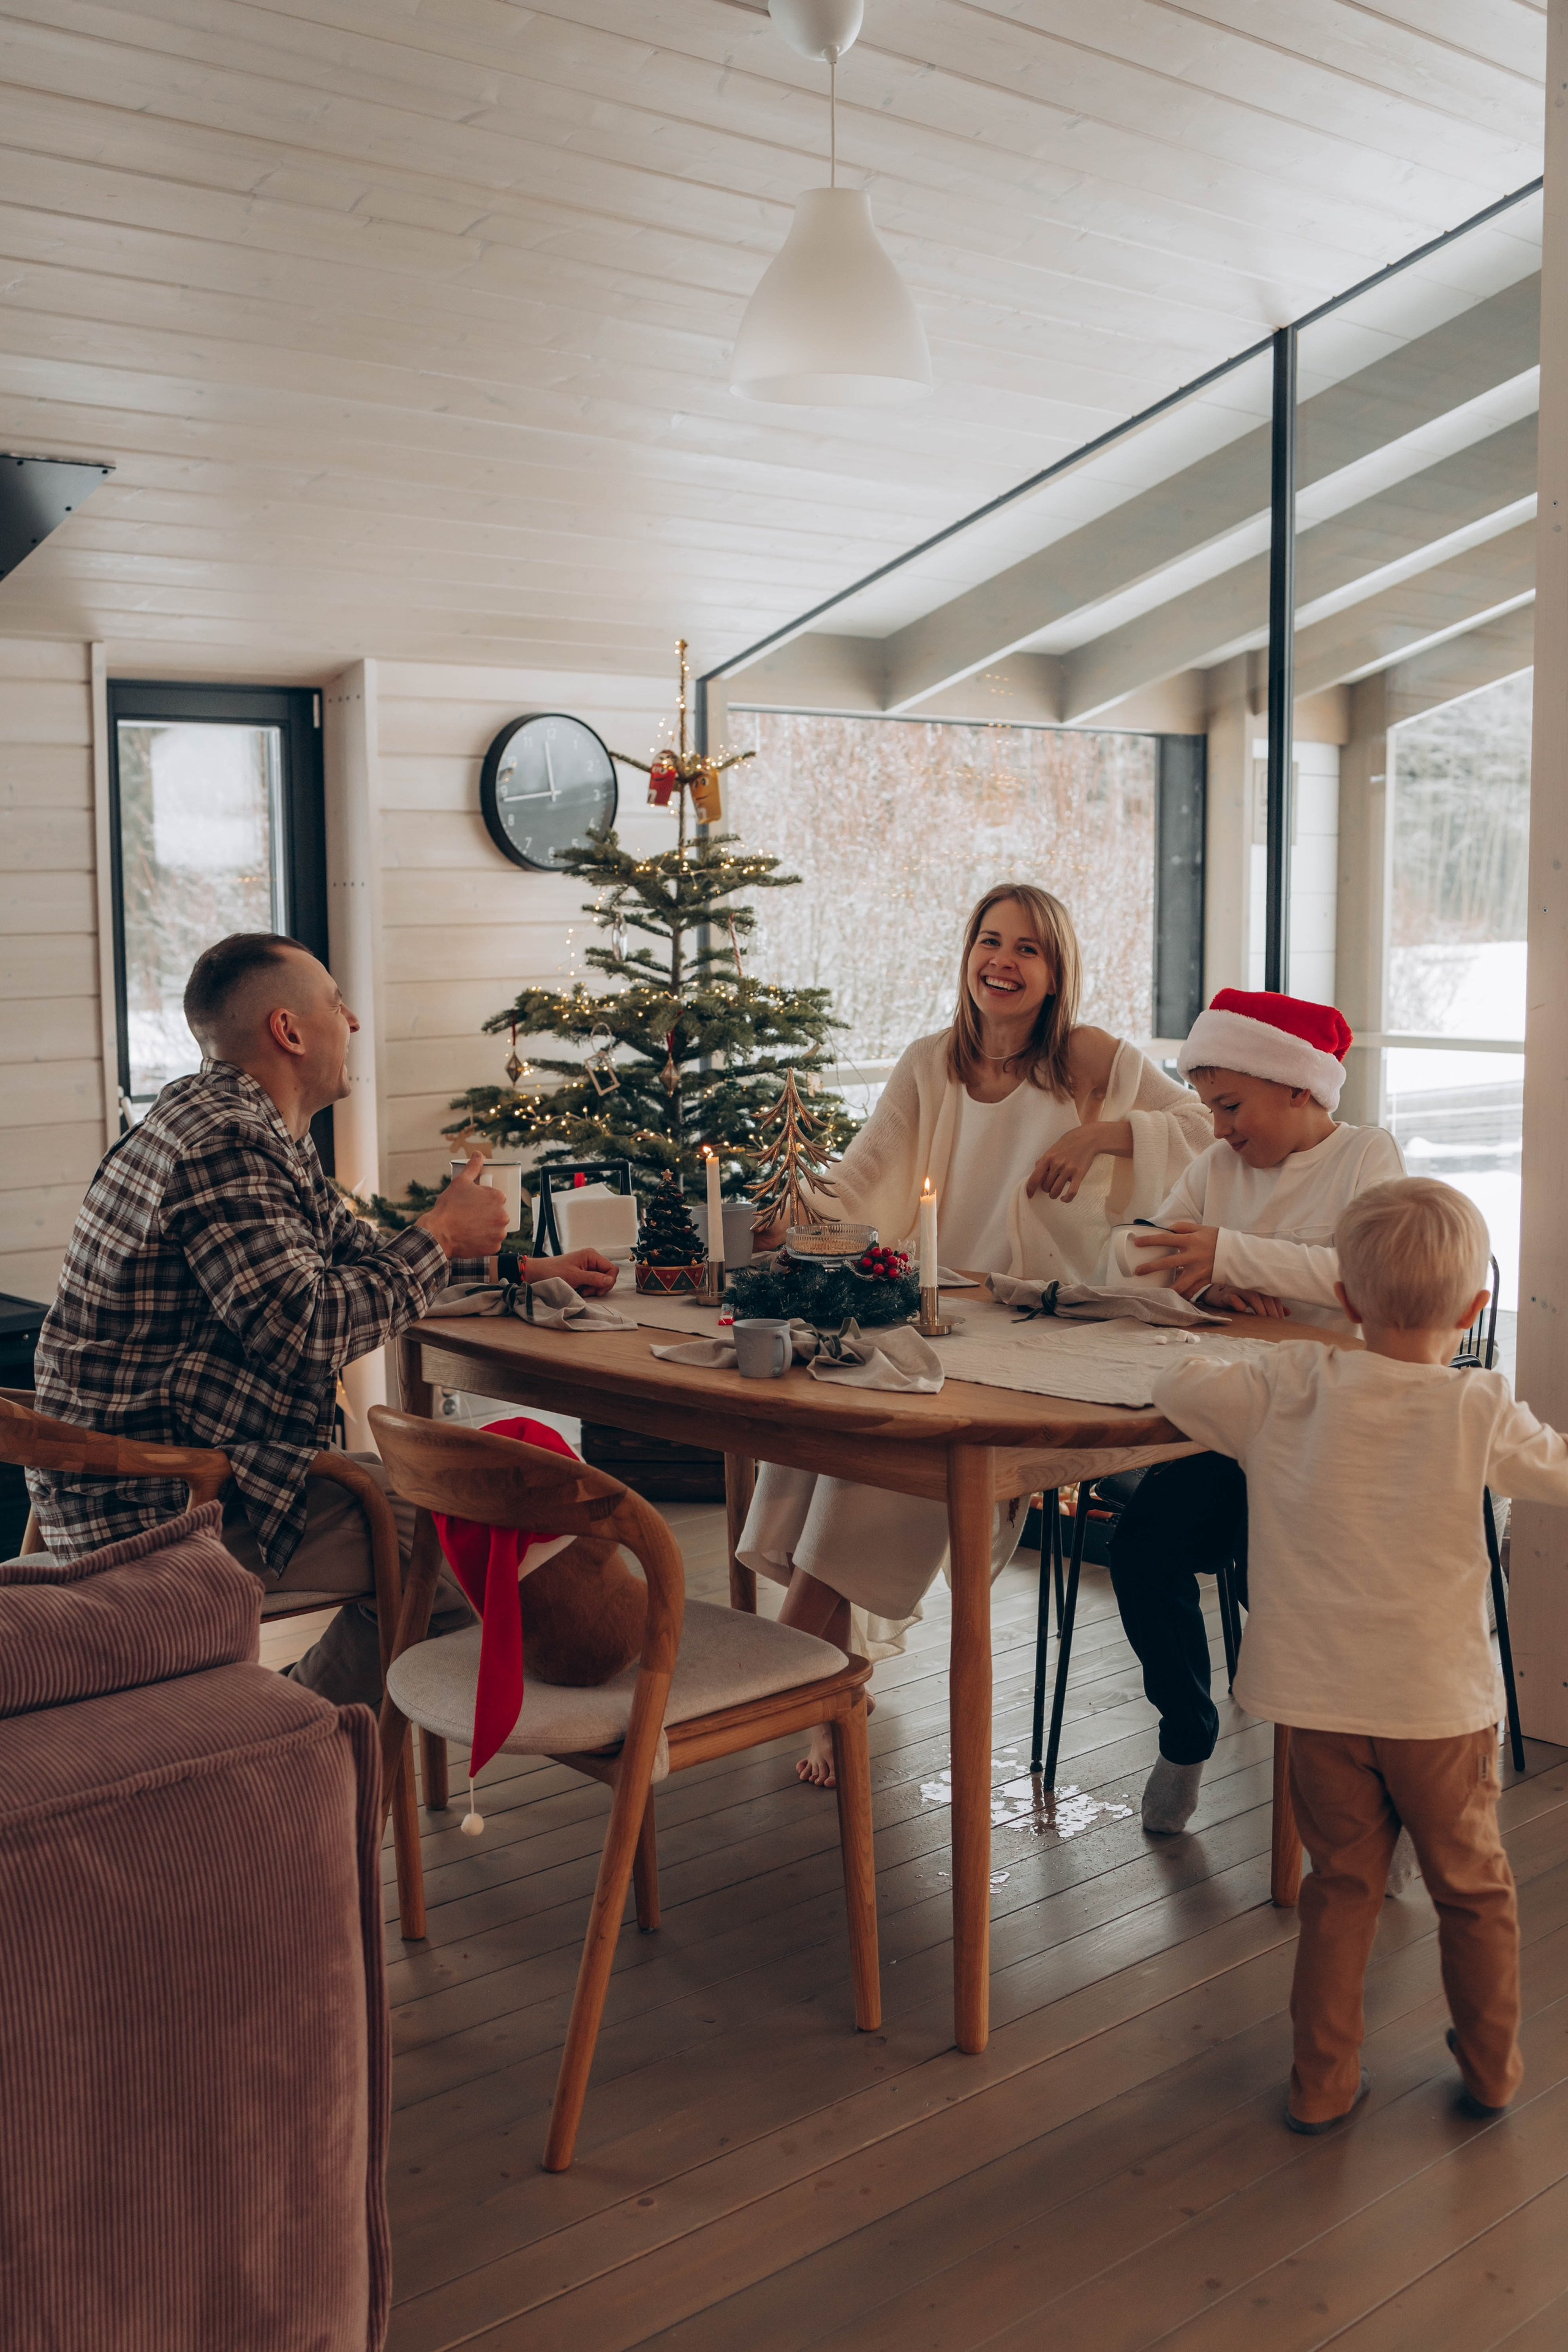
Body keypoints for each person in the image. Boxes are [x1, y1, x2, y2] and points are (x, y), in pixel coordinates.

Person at [29, 930, 617, 1705]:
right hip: (161, 1504)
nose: (356, 1022)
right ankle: (300, 1743)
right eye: (339, 1004)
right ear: (290, 1030)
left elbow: (350, 1259)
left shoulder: (234, 1120)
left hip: (134, 1475)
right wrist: (439, 1233)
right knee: (456, 1537)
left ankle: (293, 1727)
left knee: (443, 1523)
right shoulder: (228, 1143)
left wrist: (518, 1267)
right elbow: (306, 1331)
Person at [739, 881, 1213, 1785]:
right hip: (934, 1307)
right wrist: (794, 1215)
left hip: (1034, 1323)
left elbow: (1198, 1128)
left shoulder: (1088, 1059)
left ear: (1055, 970)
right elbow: (866, 1173)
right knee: (819, 1435)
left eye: (1028, 948)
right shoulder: (933, 1064)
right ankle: (827, 1684)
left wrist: (1107, 1135)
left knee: (892, 1449)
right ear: (967, 957)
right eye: (989, 941)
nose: (1003, 960)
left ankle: (776, 1675)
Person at [1149, 1178, 1560, 2132]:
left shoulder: (1292, 1386)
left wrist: (1276, 1351)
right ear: (1473, 1310)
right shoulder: (1479, 1410)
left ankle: (1323, 2084)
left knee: (1342, 1889)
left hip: (1320, 1707)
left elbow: (1175, 1385)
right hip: (1441, 1712)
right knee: (1473, 1888)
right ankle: (1493, 2071)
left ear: (1342, 1297)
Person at [1112, 987, 1405, 1831]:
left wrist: (1239, 1254)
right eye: (1210, 1109)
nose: (1219, 1128)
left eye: (1232, 1106)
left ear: (1301, 1089)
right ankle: (1186, 1728)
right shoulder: (1216, 1170)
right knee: (1142, 1552)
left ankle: (1367, 1779)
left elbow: (1367, 1281)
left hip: (1332, 1432)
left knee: (1285, 1583)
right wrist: (1210, 1277)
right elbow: (1141, 1251)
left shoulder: (1366, 1159)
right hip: (1232, 1421)